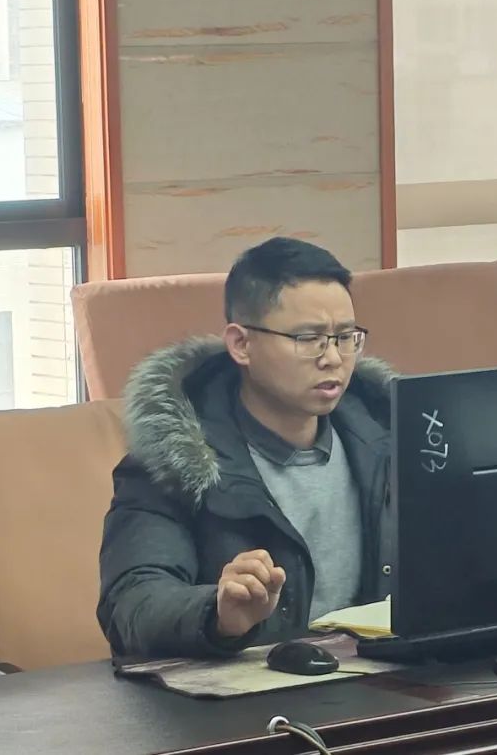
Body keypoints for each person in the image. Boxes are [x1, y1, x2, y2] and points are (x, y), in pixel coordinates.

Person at [97, 237, 394, 657]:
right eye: (308, 338)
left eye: (345, 337)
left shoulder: (391, 440)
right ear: (241, 344)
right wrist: (216, 615)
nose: (333, 358)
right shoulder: (174, 461)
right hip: (248, 689)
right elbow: (131, 601)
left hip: (384, 680)